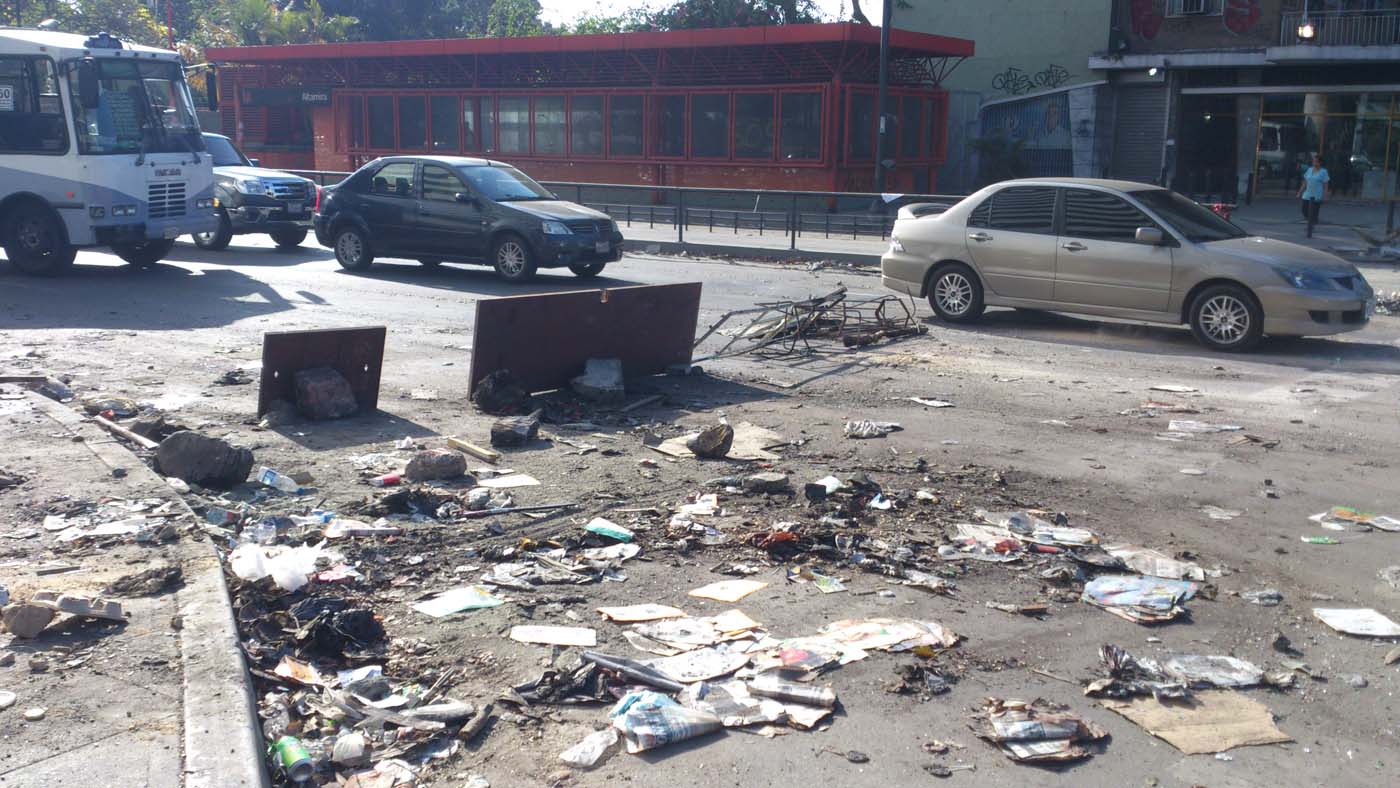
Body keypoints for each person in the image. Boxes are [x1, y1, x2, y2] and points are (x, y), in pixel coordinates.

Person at [1298, 154, 1330, 238]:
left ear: (1320, 163)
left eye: (1316, 161)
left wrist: (1326, 195)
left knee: (1313, 211)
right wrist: (1300, 192)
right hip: (1307, 194)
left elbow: (1325, 184)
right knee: (1304, 210)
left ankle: (1311, 226)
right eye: (1313, 161)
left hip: (1316, 195)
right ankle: (1311, 222)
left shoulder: (1324, 172)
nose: (1314, 163)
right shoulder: (1309, 170)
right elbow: (1305, 182)